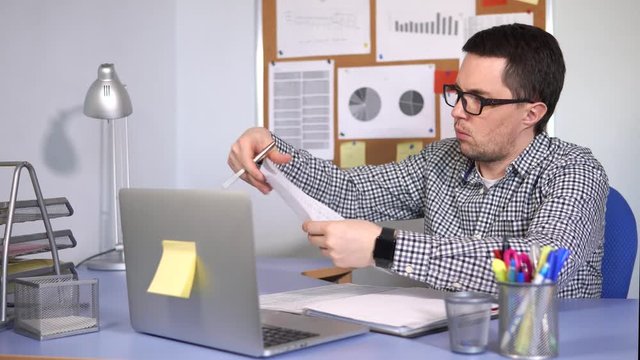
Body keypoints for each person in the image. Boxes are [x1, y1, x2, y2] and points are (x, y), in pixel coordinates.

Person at [227, 24, 608, 298]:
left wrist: (386, 247)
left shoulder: (574, 170)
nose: (458, 111)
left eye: (478, 99)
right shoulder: (442, 159)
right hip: (450, 339)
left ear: (531, 113)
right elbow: (352, 193)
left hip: (545, 345)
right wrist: (271, 149)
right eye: (458, 93)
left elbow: (543, 265)